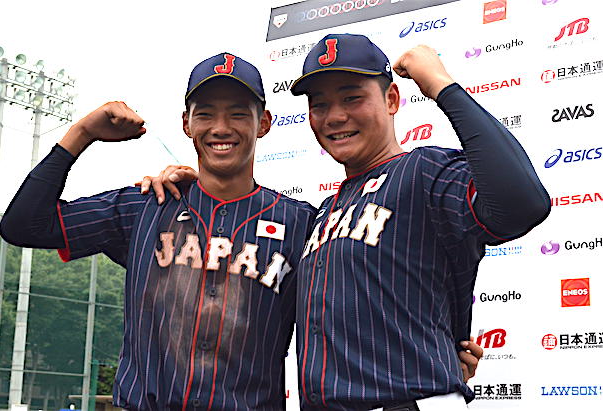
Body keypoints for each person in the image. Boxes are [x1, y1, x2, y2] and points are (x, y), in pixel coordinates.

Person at [144, 35, 549, 410]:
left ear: (392, 98)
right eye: (319, 105)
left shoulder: (424, 171)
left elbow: (522, 203)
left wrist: (441, 84)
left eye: (352, 98)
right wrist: (201, 187)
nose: (335, 116)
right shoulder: (321, 214)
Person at [0, 53, 318, 410]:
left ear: (264, 123)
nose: (221, 127)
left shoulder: (301, 224)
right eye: (205, 113)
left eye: (238, 113)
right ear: (186, 123)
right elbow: (23, 226)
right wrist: (82, 133)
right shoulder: (146, 206)